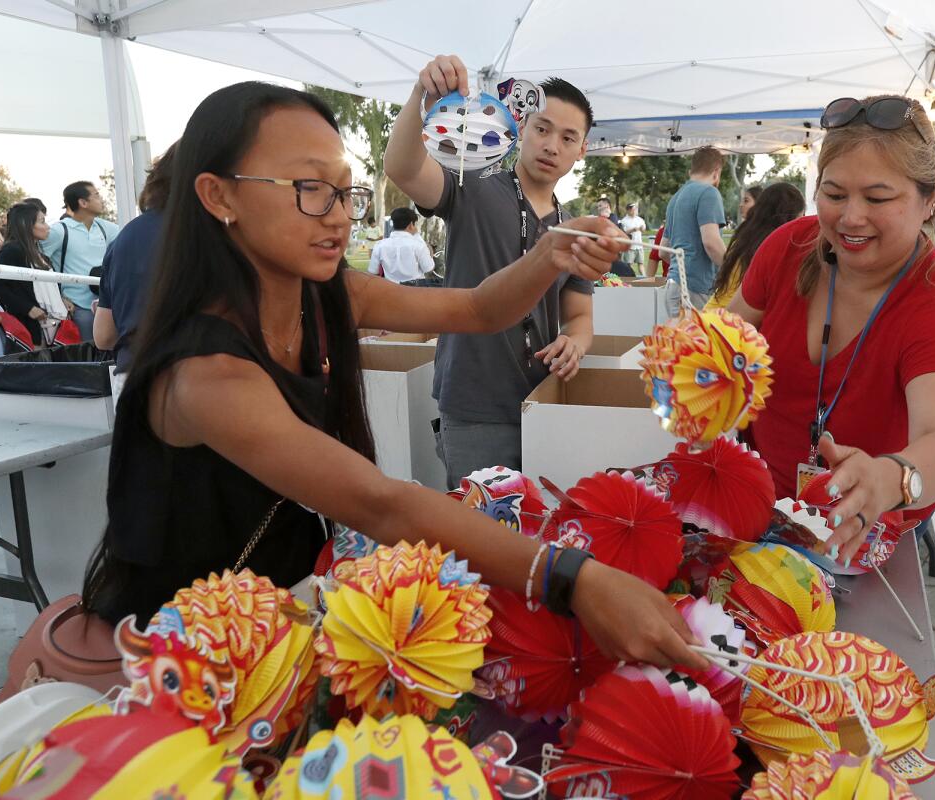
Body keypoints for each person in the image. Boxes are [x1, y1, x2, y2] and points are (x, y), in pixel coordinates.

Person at [80, 82, 704, 674]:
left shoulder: (326, 296)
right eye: (309, 187)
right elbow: (381, 502)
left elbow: (477, 309)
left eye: (345, 192)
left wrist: (549, 254)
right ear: (219, 196)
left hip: (281, 605)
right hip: (179, 647)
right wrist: (574, 578)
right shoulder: (204, 374)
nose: (339, 216)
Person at [729, 95, 935, 563]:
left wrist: (892, 478)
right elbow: (725, 340)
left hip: (859, 530)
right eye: (835, 194)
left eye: (877, 198)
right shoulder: (787, 246)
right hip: (758, 499)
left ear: (930, 199)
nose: (850, 218)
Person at [385, 57, 598, 486]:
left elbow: (579, 316)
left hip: (542, 400)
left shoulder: (573, 229)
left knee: (535, 535)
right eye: (541, 128)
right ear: (520, 129)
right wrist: (419, 98)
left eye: (568, 137)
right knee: (479, 538)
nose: (552, 145)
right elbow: (403, 169)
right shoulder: (473, 186)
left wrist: (574, 343)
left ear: (581, 150)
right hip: (473, 408)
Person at [95, 143, 178, 368]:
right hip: (199, 376)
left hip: (133, 374)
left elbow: (104, 336)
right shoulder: (217, 232)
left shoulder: (123, 238)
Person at [41, 180, 119, 341]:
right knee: (88, 360)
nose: (101, 199)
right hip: (79, 310)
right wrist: (58, 297)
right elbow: (37, 263)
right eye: (96, 195)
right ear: (83, 202)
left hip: (107, 305)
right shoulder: (59, 231)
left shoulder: (107, 228)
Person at [706, 182, 805, 310]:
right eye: (800, 216)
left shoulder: (746, 234)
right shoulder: (773, 247)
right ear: (789, 216)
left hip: (712, 315)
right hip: (732, 323)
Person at [0, 202, 68, 348]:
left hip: (52, 326)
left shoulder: (39, 254)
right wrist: (28, 308)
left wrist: (62, 300)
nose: (47, 227)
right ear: (25, 224)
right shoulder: (11, 251)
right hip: (30, 328)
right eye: (42, 222)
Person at [662, 147, 727, 312]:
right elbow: (711, 243)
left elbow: (663, 251)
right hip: (697, 288)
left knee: (678, 337)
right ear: (716, 171)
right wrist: (733, 271)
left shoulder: (675, 198)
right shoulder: (709, 193)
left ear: (692, 170)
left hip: (673, 286)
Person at [368, 206, 435, 286]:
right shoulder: (418, 245)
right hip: (416, 292)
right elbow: (429, 268)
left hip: (391, 291)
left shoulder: (379, 245)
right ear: (411, 225)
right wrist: (430, 250)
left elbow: (373, 272)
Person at [619, 202, 647, 273]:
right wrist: (633, 229)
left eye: (636, 209)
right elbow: (623, 232)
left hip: (639, 246)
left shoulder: (640, 219)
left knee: (641, 263)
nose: (635, 211)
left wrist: (642, 228)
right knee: (629, 265)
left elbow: (643, 229)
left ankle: (644, 279)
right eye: (633, 209)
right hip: (630, 247)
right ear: (628, 210)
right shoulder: (624, 221)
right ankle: (630, 279)